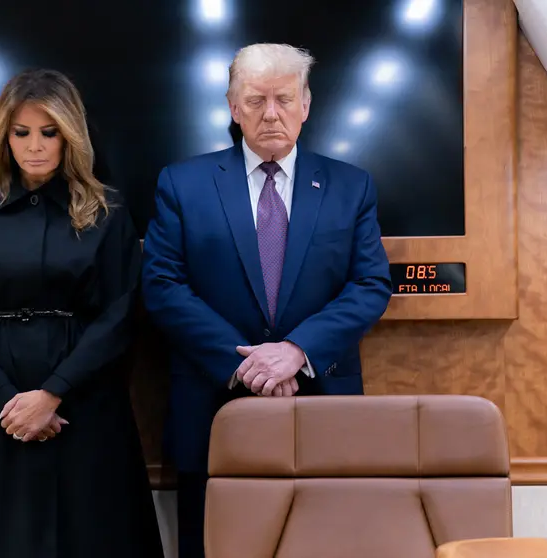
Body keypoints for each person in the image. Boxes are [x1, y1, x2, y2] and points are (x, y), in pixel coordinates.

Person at [141, 43, 392, 558]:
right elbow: (163, 286)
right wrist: (249, 365)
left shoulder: (351, 186)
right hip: (213, 405)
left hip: (321, 404)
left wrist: (296, 351)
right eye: (255, 100)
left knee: (327, 545)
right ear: (234, 109)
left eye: (283, 98)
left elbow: (369, 285)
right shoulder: (183, 183)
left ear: (306, 104)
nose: (271, 114)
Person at [0, 68, 164, 558]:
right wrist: (6, 401)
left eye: (49, 133)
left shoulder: (107, 210)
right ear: (4, 135)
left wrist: (53, 394)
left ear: (70, 134)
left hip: (85, 397)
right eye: (21, 132)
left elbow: (119, 313)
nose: (35, 146)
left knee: (91, 534)